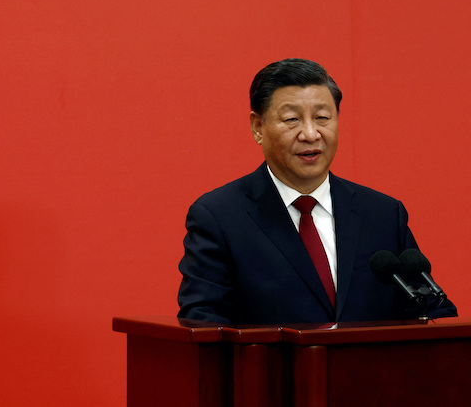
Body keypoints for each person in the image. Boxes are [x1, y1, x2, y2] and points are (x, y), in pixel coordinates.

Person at [177, 58, 457, 324]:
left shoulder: (382, 215)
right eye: (291, 120)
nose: (310, 134)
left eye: (322, 117)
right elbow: (204, 324)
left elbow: (428, 310)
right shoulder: (220, 217)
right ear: (258, 127)